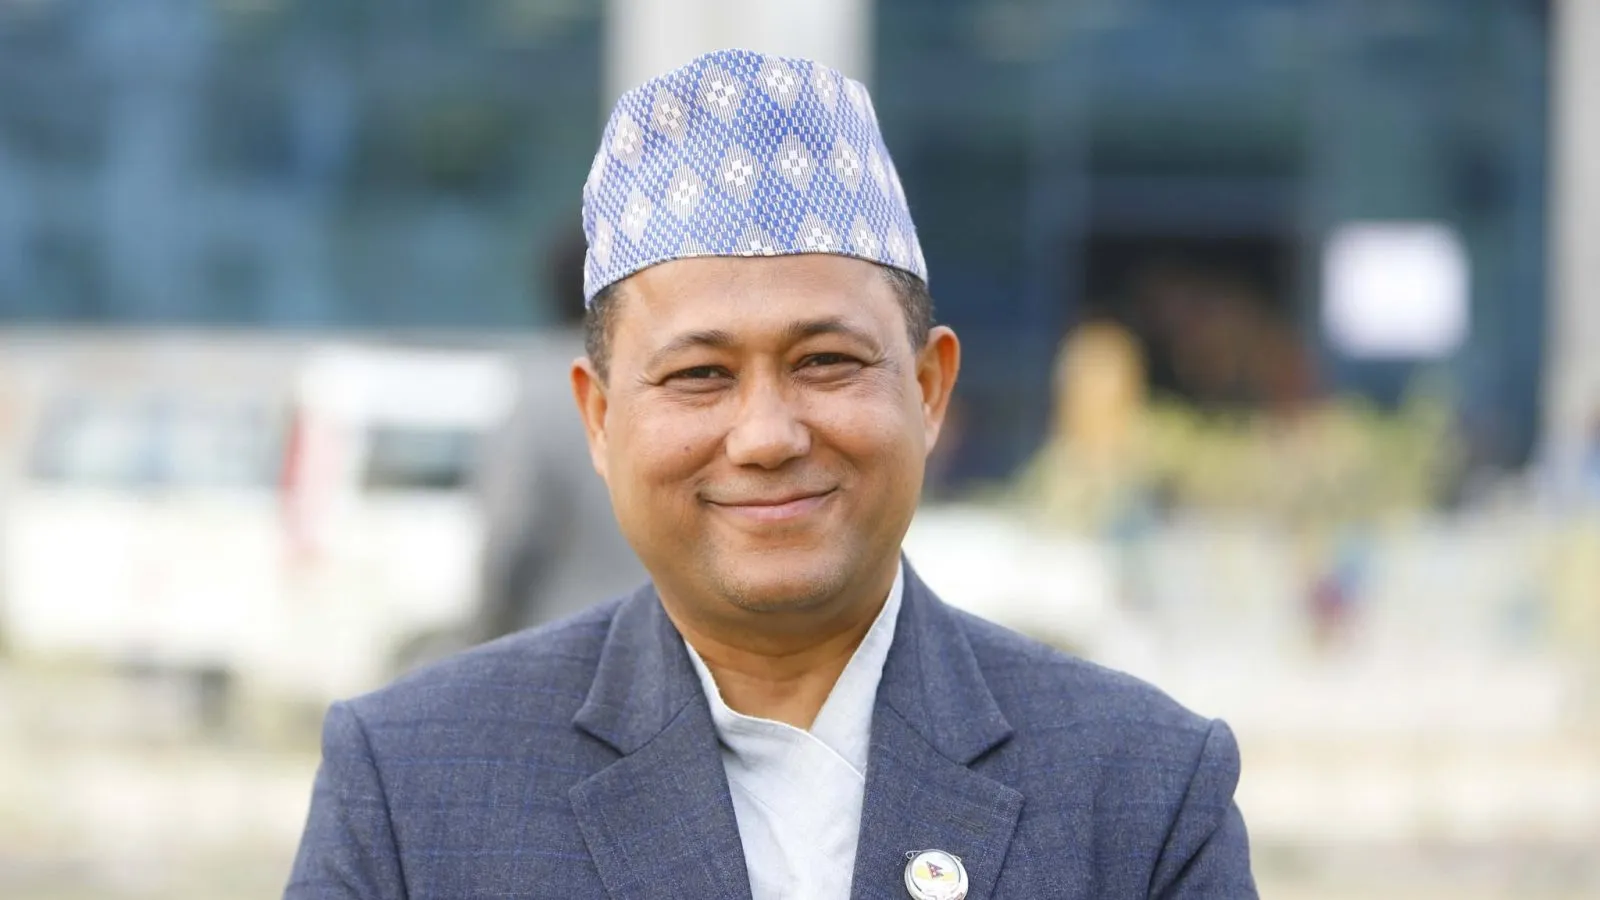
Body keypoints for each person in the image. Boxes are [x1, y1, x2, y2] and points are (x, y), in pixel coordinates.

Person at [285, 49, 1257, 899]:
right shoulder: (416, 785)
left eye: (825, 362)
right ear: (600, 416)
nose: (765, 436)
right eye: (700, 375)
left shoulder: (1140, 790)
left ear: (928, 389)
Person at [470, 229, 648, 641]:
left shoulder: (541, 392)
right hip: (673, 634)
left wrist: (486, 635)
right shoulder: (669, 374)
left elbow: (510, 537)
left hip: (565, 637)